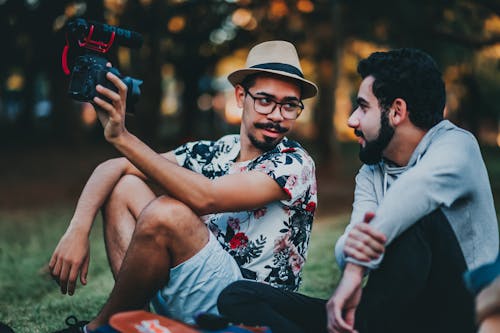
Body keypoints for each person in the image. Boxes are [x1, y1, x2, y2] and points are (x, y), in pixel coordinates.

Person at [217, 48, 499, 333]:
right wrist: (352, 254)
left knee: (417, 219)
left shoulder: (457, 146)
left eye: (363, 107)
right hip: (388, 316)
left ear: (397, 111)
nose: (352, 120)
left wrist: (355, 271)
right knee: (239, 296)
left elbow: (416, 192)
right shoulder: (372, 170)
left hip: (464, 317)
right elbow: (349, 242)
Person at [49, 40, 318, 333]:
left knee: (169, 212)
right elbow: (114, 167)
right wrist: (78, 229)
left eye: (289, 105)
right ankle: (136, 322)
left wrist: (121, 137)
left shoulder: (294, 164)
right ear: (241, 96)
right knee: (125, 186)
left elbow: (207, 198)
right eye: (265, 100)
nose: (277, 115)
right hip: (193, 286)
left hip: (247, 307)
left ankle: (100, 329)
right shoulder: (218, 150)